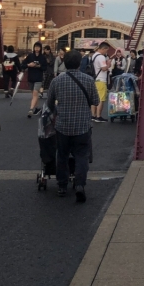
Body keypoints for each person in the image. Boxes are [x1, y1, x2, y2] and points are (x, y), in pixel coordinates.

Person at [46, 50, 98, 202]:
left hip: (63, 125)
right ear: (80, 62)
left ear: (65, 63)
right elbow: (95, 101)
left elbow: (49, 103)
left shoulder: (57, 81)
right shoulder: (88, 80)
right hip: (82, 125)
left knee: (61, 155)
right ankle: (80, 184)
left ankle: (62, 186)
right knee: (82, 155)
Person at [26, 42, 50, 118]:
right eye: (35, 47)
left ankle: (31, 109)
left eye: (38, 47)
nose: (37, 49)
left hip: (38, 78)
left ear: (40, 48)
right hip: (30, 77)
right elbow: (23, 64)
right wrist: (29, 65)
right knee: (33, 94)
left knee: (35, 94)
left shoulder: (42, 58)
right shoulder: (30, 56)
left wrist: (38, 66)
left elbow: (45, 68)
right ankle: (37, 108)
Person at [89, 42, 112, 122]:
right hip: (101, 80)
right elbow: (104, 68)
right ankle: (98, 116)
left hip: (94, 79)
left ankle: (93, 115)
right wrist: (108, 64)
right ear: (103, 48)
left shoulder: (94, 55)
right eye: (107, 50)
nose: (107, 52)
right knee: (101, 99)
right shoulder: (101, 57)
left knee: (93, 98)